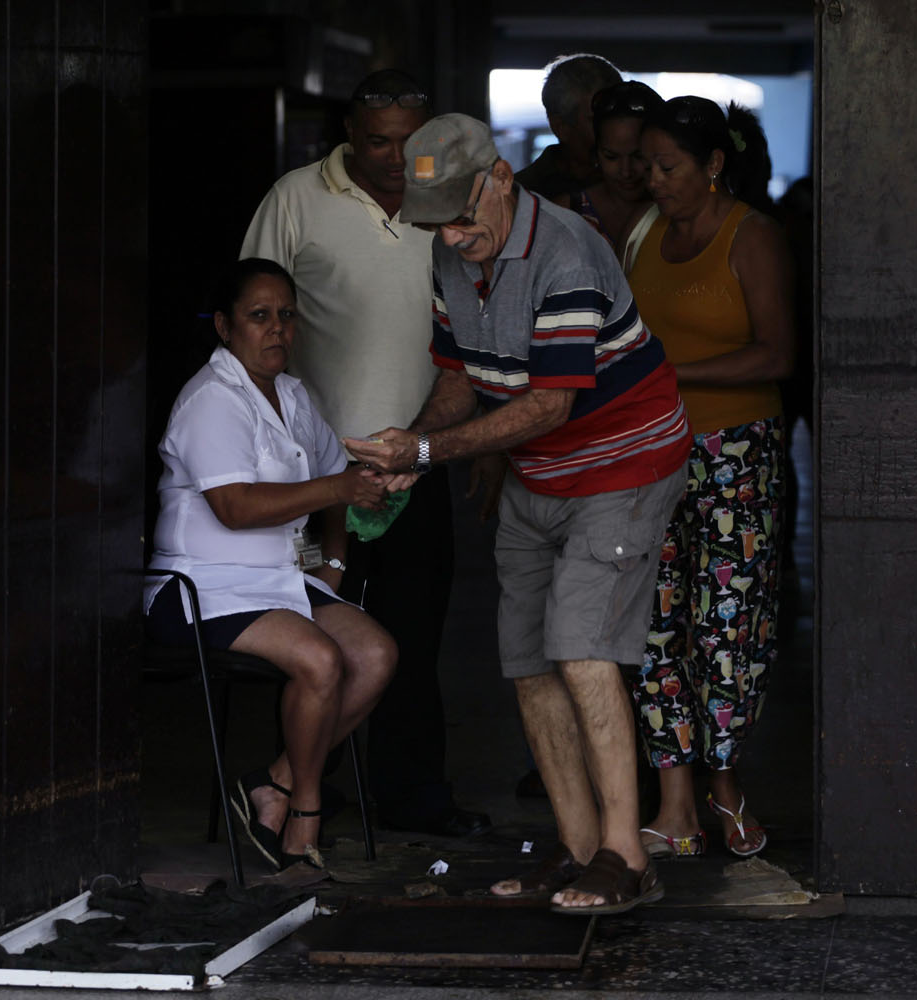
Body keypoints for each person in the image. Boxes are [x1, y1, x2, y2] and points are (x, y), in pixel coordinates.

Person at [345, 114, 692, 916]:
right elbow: (464, 374)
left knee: (580, 648)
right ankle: (577, 852)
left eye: (466, 218)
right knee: (530, 661)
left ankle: (628, 856)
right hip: (541, 475)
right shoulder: (449, 251)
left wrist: (429, 458)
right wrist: (414, 440)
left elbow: (549, 404)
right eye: (438, 225)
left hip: (623, 464)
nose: (456, 238)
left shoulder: (566, 251)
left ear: (501, 180)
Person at [240, 69, 491, 839]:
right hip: (316, 472)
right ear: (347, 133)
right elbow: (254, 317)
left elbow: (479, 332)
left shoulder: (451, 201)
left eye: (407, 142)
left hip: (421, 457)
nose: (391, 157)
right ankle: (308, 789)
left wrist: (443, 444)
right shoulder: (295, 198)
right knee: (310, 632)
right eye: (376, 140)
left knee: (412, 638)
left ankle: (413, 795)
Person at [143, 257, 398, 871]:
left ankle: (274, 782)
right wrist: (337, 494)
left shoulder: (291, 393)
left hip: (284, 578)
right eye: (259, 317)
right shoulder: (210, 399)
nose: (276, 328)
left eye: (286, 315)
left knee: (376, 655)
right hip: (203, 584)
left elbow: (336, 475)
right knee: (320, 660)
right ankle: (303, 811)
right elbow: (234, 508)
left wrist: (331, 562)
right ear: (226, 327)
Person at [622, 96, 795, 859]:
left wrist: (671, 374)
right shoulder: (642, 236)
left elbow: (777, 354)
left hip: (737, 458)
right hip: (653, 455)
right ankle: (676, 806)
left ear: (714, 165)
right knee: (656, 625)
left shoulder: (751, 237)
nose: (654, 181)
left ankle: (728, 790)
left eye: (669, 167)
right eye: (646, 166)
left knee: (725, 630)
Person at [559, 80, 663, 256]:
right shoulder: (566, 213)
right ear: (596, 154)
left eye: (638, 156)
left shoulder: (680, 211)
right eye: (611, 157)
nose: (626, 171)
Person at [514, 54, 622, 202]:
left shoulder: (647, 183)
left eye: (619, 117)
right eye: (597, 120)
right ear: (561, 128)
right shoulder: (520, 197)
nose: (616, 130)